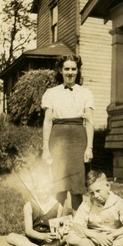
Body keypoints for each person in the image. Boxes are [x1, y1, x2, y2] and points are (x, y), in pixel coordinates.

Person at [41, 54, 94, 215]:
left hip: (79, 139)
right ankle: (57, 222)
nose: (70, 72)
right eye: (66, 69)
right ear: (60, 70)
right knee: (58, 183)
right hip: (57, 139)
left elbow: (90, 122)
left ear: (77, 71)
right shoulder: (51, 93)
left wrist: (89, 148)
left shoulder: (86, 93)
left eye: (73, 69)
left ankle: (78, 221)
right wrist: (45, 148)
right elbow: (48, 121)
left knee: (77, 183)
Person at [63, 170, 123, 246]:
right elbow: (76, 225)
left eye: (98, 191)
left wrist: (112, 235)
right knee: (71, 237)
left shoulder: (118, 202)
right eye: (92, 193)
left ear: (107, 186)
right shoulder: (88, 202)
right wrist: (96, 236)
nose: (96, 196)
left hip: (113, 238)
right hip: (94, 239)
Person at [7, 177, 65, 246]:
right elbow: (28, 231)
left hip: (49, 242)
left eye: (45, 187)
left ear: (50, 187)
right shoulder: (29, 205)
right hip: (32, 239)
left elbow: (58, 230)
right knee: (10, 237)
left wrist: (58, 233)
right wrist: (42, 236)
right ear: (35, 190)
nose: (42, 191)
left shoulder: (58, 206)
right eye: (39, 188)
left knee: (67, 236)